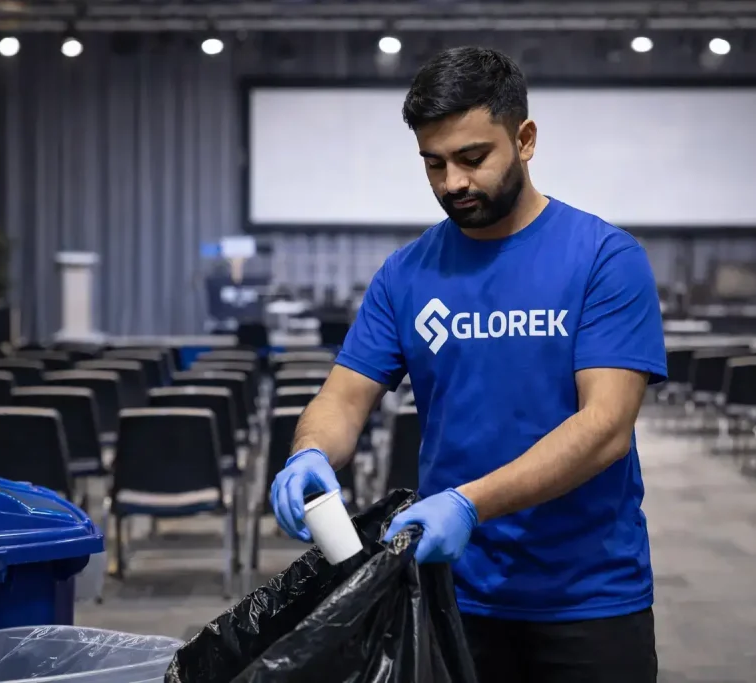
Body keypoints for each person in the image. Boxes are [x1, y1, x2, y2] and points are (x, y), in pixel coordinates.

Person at [269, 46, 666, 683]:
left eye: (473, 158)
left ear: (525, 138)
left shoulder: (603, 259)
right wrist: (309, 452)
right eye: (434, 163)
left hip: (587, 597)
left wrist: (470, 503)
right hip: (451, 595)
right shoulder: (406, 274)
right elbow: (344, 398)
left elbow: (606, 428)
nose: (453, 182)